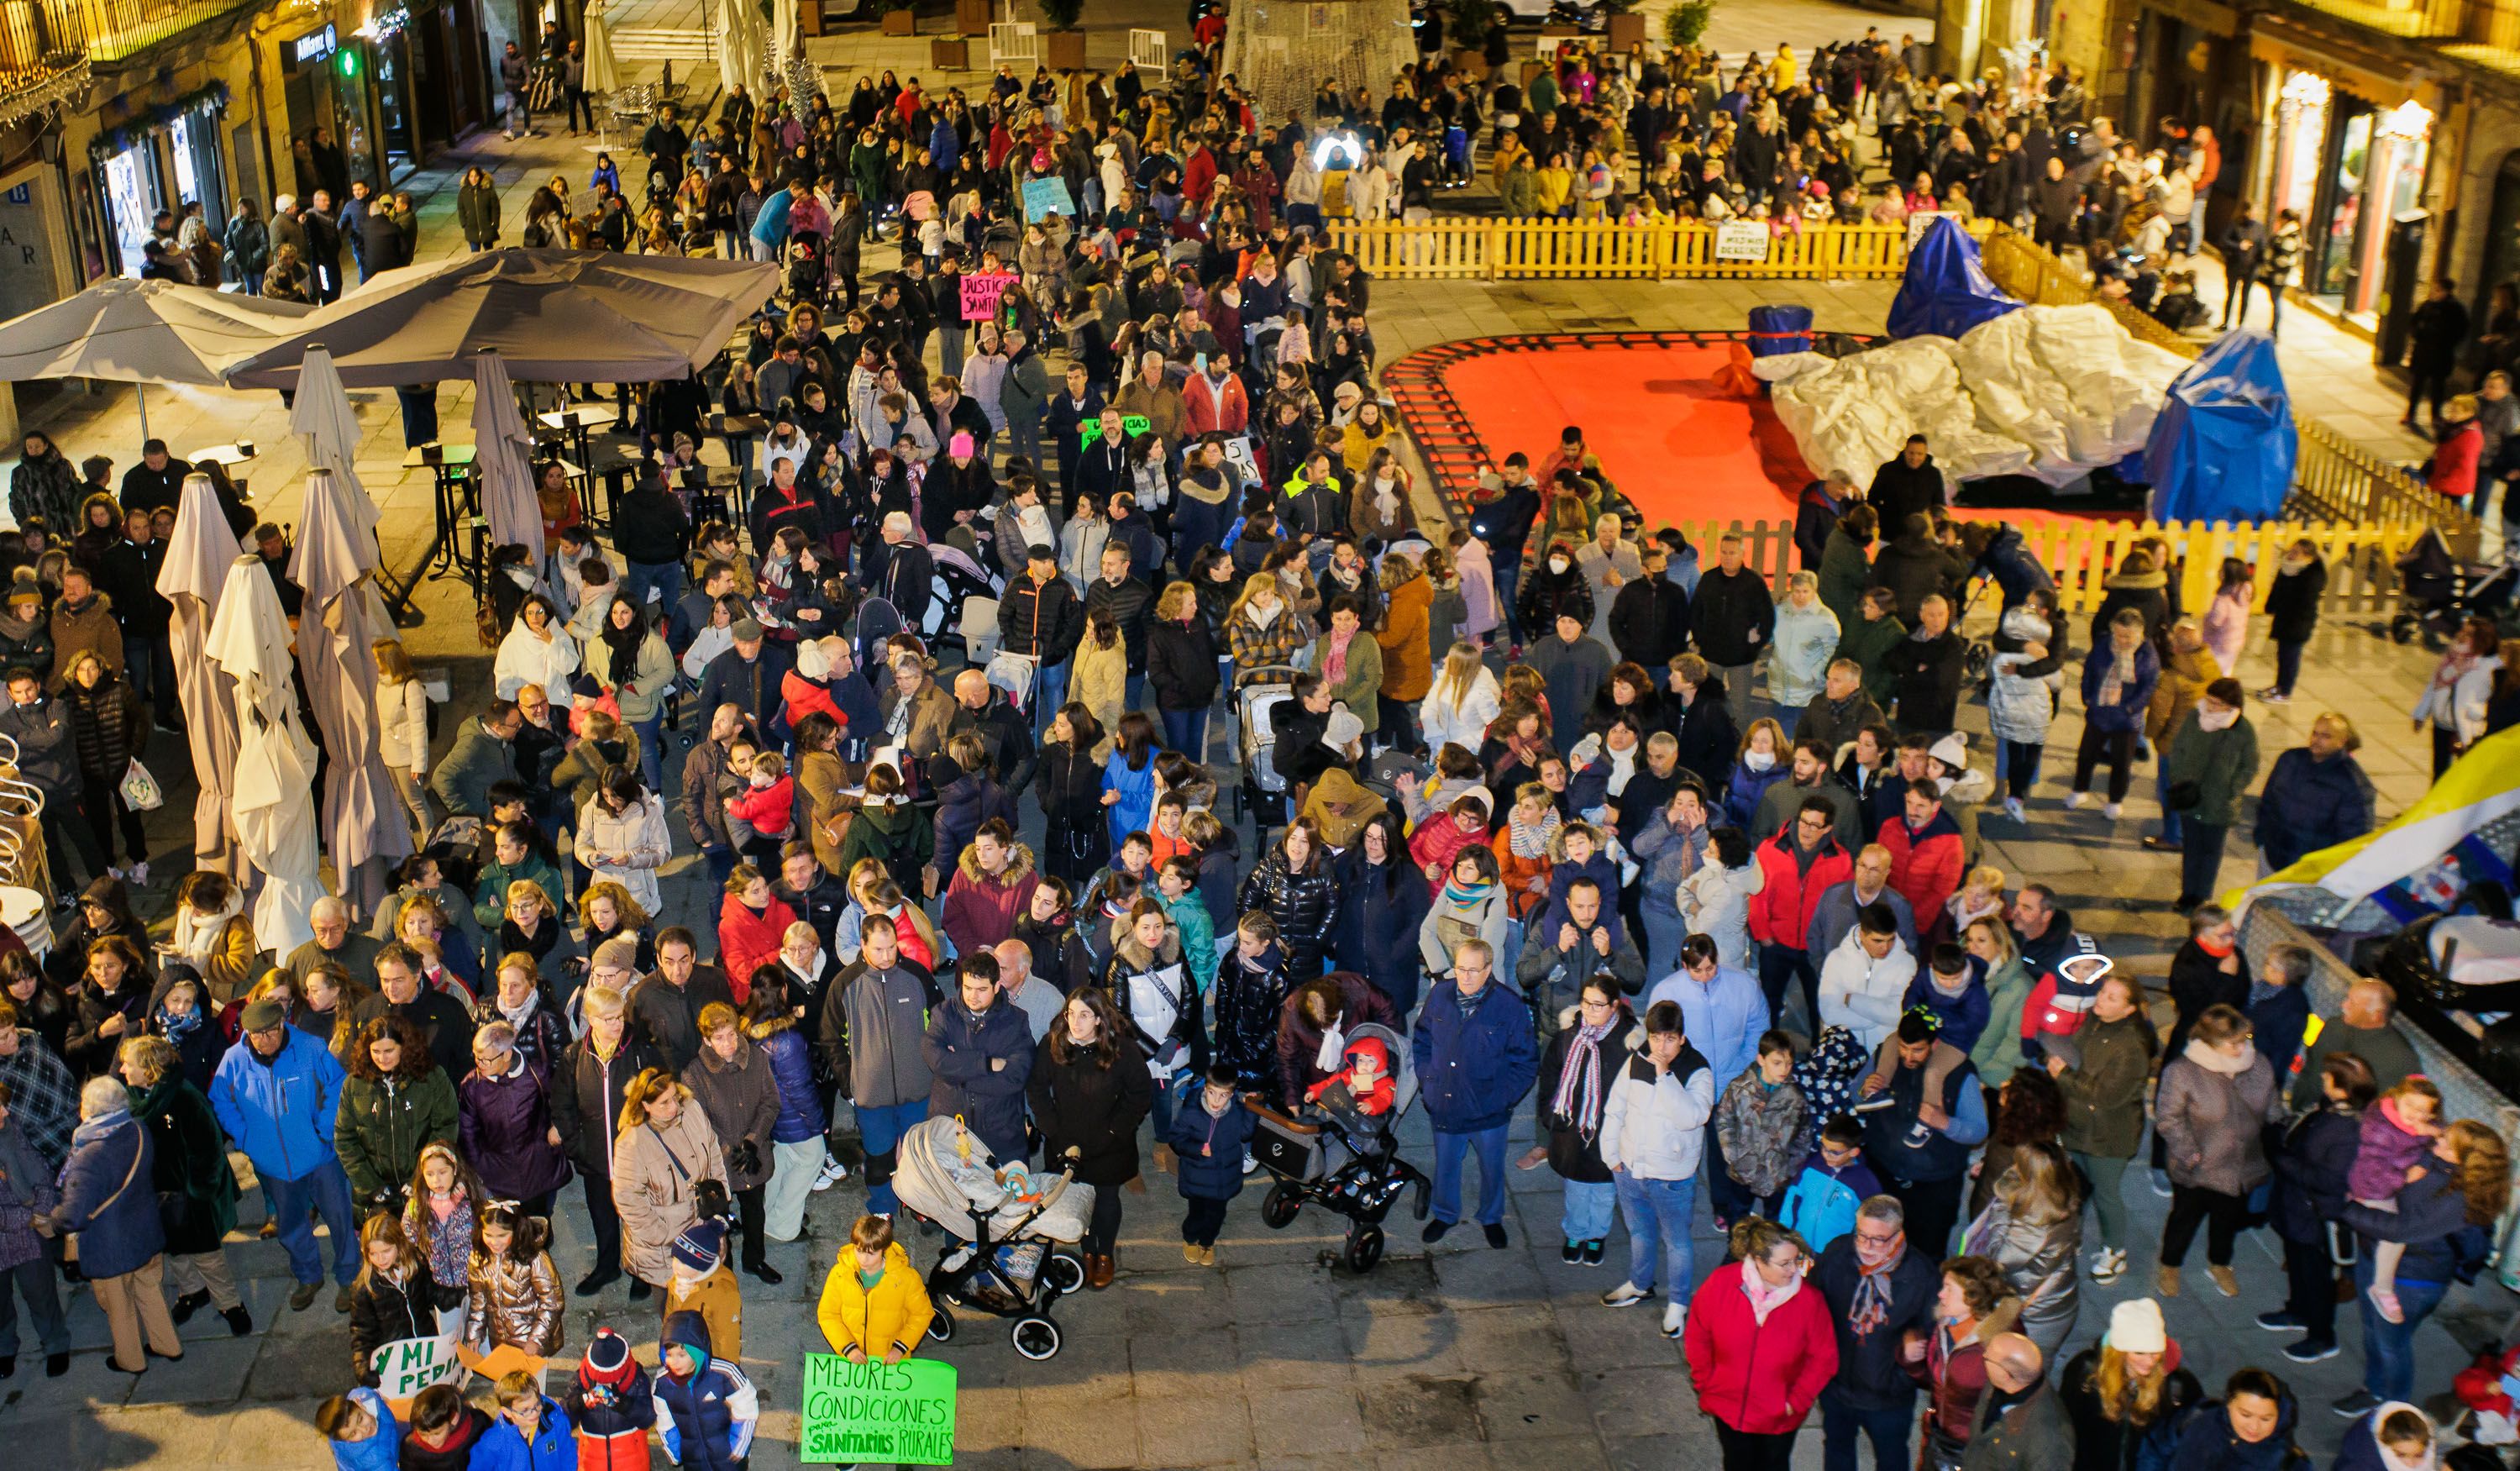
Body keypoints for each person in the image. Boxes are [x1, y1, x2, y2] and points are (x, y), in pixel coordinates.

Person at [2343, 1118, 2506, 1414]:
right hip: (2379, 1258)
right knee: (2372, 1329)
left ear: (2463, 1159)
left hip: (2412, 1279)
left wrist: (2350, 1211)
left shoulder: (2459, 1198)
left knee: (2392, 1344)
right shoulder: (2441, 1162)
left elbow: (2402, 1229)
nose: (2438, 1141)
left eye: (2446, 1141)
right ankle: (2375, 1388)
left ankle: (2394, 1408)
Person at [212, 996, 357, 1311]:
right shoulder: (234, 1059)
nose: (265, 1040)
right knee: (291, 1224)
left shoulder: (311, 1048)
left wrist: (324, 1130)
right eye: (256, 1034)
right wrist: (245, 1136)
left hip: (320, 1157)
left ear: (283, 1024)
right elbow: (221, 1100)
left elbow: (337, 1085)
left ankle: (349, 1278)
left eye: (270, 1031)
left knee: (340, 1217)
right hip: (273, 1164)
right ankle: (308, 1277)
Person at [1684, 1216, 1840, 1471]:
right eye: (1785, 1264)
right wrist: (1706, 1383)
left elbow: (1824, 1358)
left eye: (1796, 1260)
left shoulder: (1810, 1301)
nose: (1795, 1270)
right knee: (1736, 1463)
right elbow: (1698, 1335)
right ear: (1758, 1261)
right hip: (1728, 1406)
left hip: (1779, 1415)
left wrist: (1796, 1401)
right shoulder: (1721, 1283)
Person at [51, 1074, 183, 1372]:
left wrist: (53, 1219)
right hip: (146, 1233)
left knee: (119, 1307)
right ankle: (167, 1344)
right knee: (151, 1292)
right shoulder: (137, 1130)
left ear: (91, 1110)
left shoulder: (88, 1155)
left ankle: (131, 1360)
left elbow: (72, 1214)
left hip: (111, 1246)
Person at [2153, 1003, 2283, 1299]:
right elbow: (2169, 1118)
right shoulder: (2183, 1072)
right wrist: (2190, 1153)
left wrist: (2280, 1125)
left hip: (2241, 1164)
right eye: (2233, 1043)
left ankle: (2220, 1263)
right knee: (2184, 1219)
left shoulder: (2258, 1064)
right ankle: (2170, 1265)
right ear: (2210, 1042)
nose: (2242, 1048)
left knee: (2226, 1220)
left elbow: (2272, 1104)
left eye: (2245, 1041)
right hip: (2198, 1166)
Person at [1415, 939, 1537, 1248]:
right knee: (1445, 1165)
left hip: (1490, 1111)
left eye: (1473, 970)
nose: (1465, 977)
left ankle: (1492, 1217)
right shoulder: (1440, 995)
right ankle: (1445, 1214)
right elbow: (1422, 1039)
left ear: (1489, 969)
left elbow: (1525, 1061)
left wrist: (1503, 1098)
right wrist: (1429, 1080)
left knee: (1492, 1168)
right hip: (1446, 1102)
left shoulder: (1509, 1005)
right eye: (1460, 968)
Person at [1029, 986, 1153, 1290]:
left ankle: (1105, 1255)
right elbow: (1035, 1088)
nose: (1075, 1022)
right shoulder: (1054, 1045)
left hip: (1110, 1143)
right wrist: (1051, 1128)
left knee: (1107, 1200)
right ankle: (1087, 1251)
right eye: (1071, 1014)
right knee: (1076, 1198)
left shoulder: (1121, 1049)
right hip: (1066, 1143)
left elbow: (1140, 1094)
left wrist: (1116, 1130)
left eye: (1084, 1015)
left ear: (1099, 1019)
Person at [1811, 1193, 1937, 1471]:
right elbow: (1812, 1308)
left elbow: (1933, 1337)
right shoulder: (1836, 1255)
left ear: (1897, 1235)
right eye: (1861, 1235)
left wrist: (1903, 1372)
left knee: (1891, 1458)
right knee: (1837, 1450)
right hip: (1837, 1387)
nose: (1866, 1247)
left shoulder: (1921, 1275)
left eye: (1877, 1239)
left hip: (1888, 1396)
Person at [2048, 971, 2153, 1285]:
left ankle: (2115, 1251)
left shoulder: (2132, 1047)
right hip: (2078, 1125)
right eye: (2103, 992)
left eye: (2112, 997)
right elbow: (2076, 1054)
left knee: (2107, 1194)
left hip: (2108, 1136)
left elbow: (2106, 1096)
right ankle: (2072, 1236)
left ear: (2129, 1009)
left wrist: (2063, 1075)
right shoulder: (2094, 1022)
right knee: (2077, 1186)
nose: (2102, 1000)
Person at [1859, 1009, 1988, 1258]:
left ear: (1935, 1043)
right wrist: (1865, 1089)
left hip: (1932, 1189)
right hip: (1882, 1174)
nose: (1908, 1056)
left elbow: (1979, 1130)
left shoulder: (1960, 1074)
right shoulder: (1886, 1058)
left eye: (1917, 1050)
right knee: (1878, 1247)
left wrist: (1945, 1123)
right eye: (1903, 1048)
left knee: (1924, 1255)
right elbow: (1856, 1094)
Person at [680, 1002, 781, 1285]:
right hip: (717, 1161)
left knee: (754, 1212)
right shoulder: (694, 1073)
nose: (729, 1044)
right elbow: (699, 1121)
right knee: (718, 1220)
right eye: (720, 1038)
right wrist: (729, 1149)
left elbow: (770, 1103)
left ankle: (755, 1260)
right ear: (707, 1040)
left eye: (732, 1035)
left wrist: (752, 1142)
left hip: (754, 1154)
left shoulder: (757, 1059)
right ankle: (725, 1272)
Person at [612, 1067, 727, 1298]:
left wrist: (720, 1198)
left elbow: (713, 1150)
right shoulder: (632, 1142)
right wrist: (660, 1233)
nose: (674, 1107)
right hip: (665, 1251)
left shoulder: (692, 1109)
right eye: (664, 1103)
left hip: (702, 1224)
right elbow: (626, 1199)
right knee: (676, 1312)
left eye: (675, 1097)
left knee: (709, 1300)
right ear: (645, 1105)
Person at [334, 1015, 458, 1217]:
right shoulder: (354, 1084)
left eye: (389, 1051)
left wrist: (419, 1179)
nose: (382, 1058)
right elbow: (344, 1139)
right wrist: (370, 1186)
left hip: (423, 1190)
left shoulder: (432, 1078)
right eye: (376, 1051)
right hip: (375, 1199)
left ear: (405, 1047)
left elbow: (445, 1129)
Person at [922, 956, 1033, 1164]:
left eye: (981, 989)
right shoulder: (943, 1014)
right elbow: (936, 1060)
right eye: (968, 987)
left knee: (1006, 1195)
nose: (973, 996)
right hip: (951, 1131)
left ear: (997, 986)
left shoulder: (1017, 1021)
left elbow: (1015, 1077)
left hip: (1001, 1135)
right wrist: (986, 1064)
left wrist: (958, 1074)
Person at [2160, 679, 2258, 910]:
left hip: (2219, 802)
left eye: (2218, 703)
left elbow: (2249, 766)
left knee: (2210, 851)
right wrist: (2177, 777)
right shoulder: (2195, 718)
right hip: (2190, 796)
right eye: (2210, 700)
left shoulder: (2243, 730)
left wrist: (2233, 789)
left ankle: (2201, 894)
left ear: (2231, 705)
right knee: (2192, 847)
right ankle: (2187, 892)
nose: (2211, 706)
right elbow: (2179, 748)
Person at [2254, 713, 2374, 876]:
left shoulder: (2353, 785)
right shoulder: (2290, 759)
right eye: (2315, 733)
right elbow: (2268, 801)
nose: (2316, 740)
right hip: (2271, 857)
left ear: (2343, 741)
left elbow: (2352, 839)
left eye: (2326, 736)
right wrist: (2262, 838)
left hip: (2306, 873)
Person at [815, 1211, 934, 1364]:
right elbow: (828, 1315)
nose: (864, 1259)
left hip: (889, 1358)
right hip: (851, 1357)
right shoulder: (839, 1274)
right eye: (859, 1251)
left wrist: (900, 1347)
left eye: (872, 1254)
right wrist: (848, 1348)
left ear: (884, 1248)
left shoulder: (906, 1278)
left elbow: (922, 1314)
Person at [653, 1311, 759, 1471]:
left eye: (682, 1355)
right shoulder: (662, 1383)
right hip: (693, 1458)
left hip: (728, 1457)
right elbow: (664, 1420)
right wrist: (674, 1451)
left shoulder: (724, 1374)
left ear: (696, 1352)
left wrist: (739, 1445)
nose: (674, 1361)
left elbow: (747, 1407)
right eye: (669, 1354)